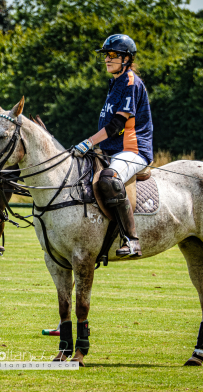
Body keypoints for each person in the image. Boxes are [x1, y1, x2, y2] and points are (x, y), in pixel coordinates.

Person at [74, 34, 153, 257]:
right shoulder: (115, 83)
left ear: (126, 58)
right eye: (106, 55)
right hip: (112, 150)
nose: (107, 59)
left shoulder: (130, 82)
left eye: (113, 55)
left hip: (133, 149)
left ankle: (132, 240)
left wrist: (88, 143)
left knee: (109, 179)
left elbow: (118, 123)